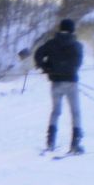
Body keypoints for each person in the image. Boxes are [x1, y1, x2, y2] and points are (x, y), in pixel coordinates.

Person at [34, 18, 84, 154]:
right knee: (76, 112)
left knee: (56, 111)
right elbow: (78, 64)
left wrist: (46, 68)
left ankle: (50, 142)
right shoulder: (77, 45)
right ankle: (75, 145)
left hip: (55, 83)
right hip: (71, 83)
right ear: (72, 29)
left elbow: (38, 55)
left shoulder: (51, 43)